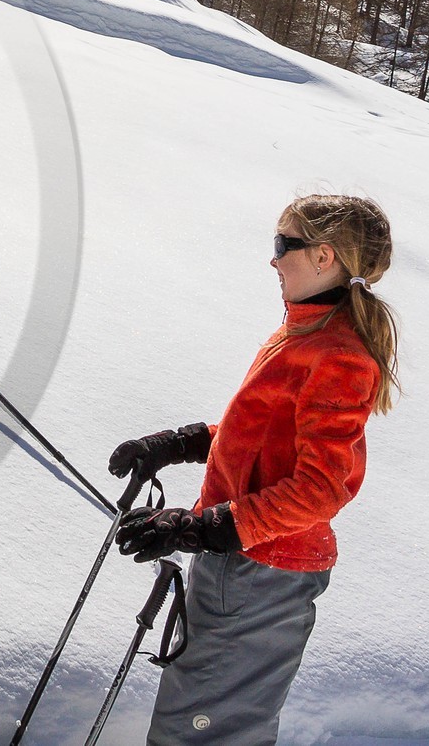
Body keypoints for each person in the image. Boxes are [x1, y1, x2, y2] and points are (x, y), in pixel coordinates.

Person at [110, 195, 399, 745]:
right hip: (241, 560)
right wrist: (180, 444)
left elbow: (321, 489)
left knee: (205, 732)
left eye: (283, 245)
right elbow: (262, 439)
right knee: (195, 719)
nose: (273, 260)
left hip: (263, 570)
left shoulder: (337, 353)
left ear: (324, 258)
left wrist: (208, 526)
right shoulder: (302, 332)